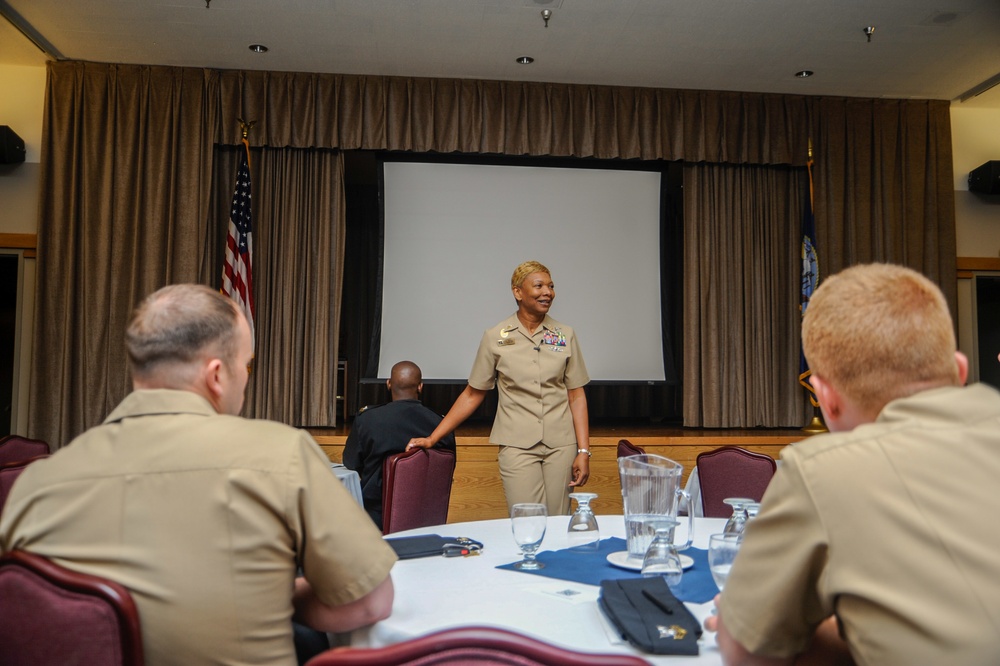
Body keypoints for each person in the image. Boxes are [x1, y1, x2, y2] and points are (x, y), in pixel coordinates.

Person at [0, 284, 396, 666]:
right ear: (217, 375)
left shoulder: (35, 482)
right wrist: (275, 594)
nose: (245, 378)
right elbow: (367, 601)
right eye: (246, 366)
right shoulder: (281, 454)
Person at [705, 263, 1000, 666]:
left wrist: (823, 630)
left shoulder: (820, 471)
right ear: (960, 370)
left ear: (825, 398)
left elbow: (744, 651)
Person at [407, 260, 591, 516]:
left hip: (561, 444)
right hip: (517, 444)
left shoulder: (565, 334)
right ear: (518, 292)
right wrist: (433, 438)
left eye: (550, 286)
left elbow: (576, 395)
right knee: (526, 520)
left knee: (559, 519)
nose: (547, 292)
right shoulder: (496, 336)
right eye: (539, 286)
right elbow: (473, 393)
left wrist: (583, 451)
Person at [343, 360, 456, 529]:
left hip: (375, 519)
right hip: (428, 516)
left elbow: (351, 463)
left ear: (388, 384)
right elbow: (447, 468)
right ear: (420, 387)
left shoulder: (367, 420)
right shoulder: (441, 424)